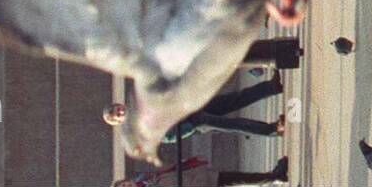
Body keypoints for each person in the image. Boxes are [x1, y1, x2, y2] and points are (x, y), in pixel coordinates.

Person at [104, 73, 286, 142]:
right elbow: (167, 137)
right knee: (233, 124)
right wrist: (190, 127)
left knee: (234, 99)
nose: (119, 112)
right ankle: (271, 129)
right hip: (193, 122)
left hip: (189, 108)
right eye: (116, 116)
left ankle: (271, 87)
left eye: (116, 109)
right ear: (119, 122)